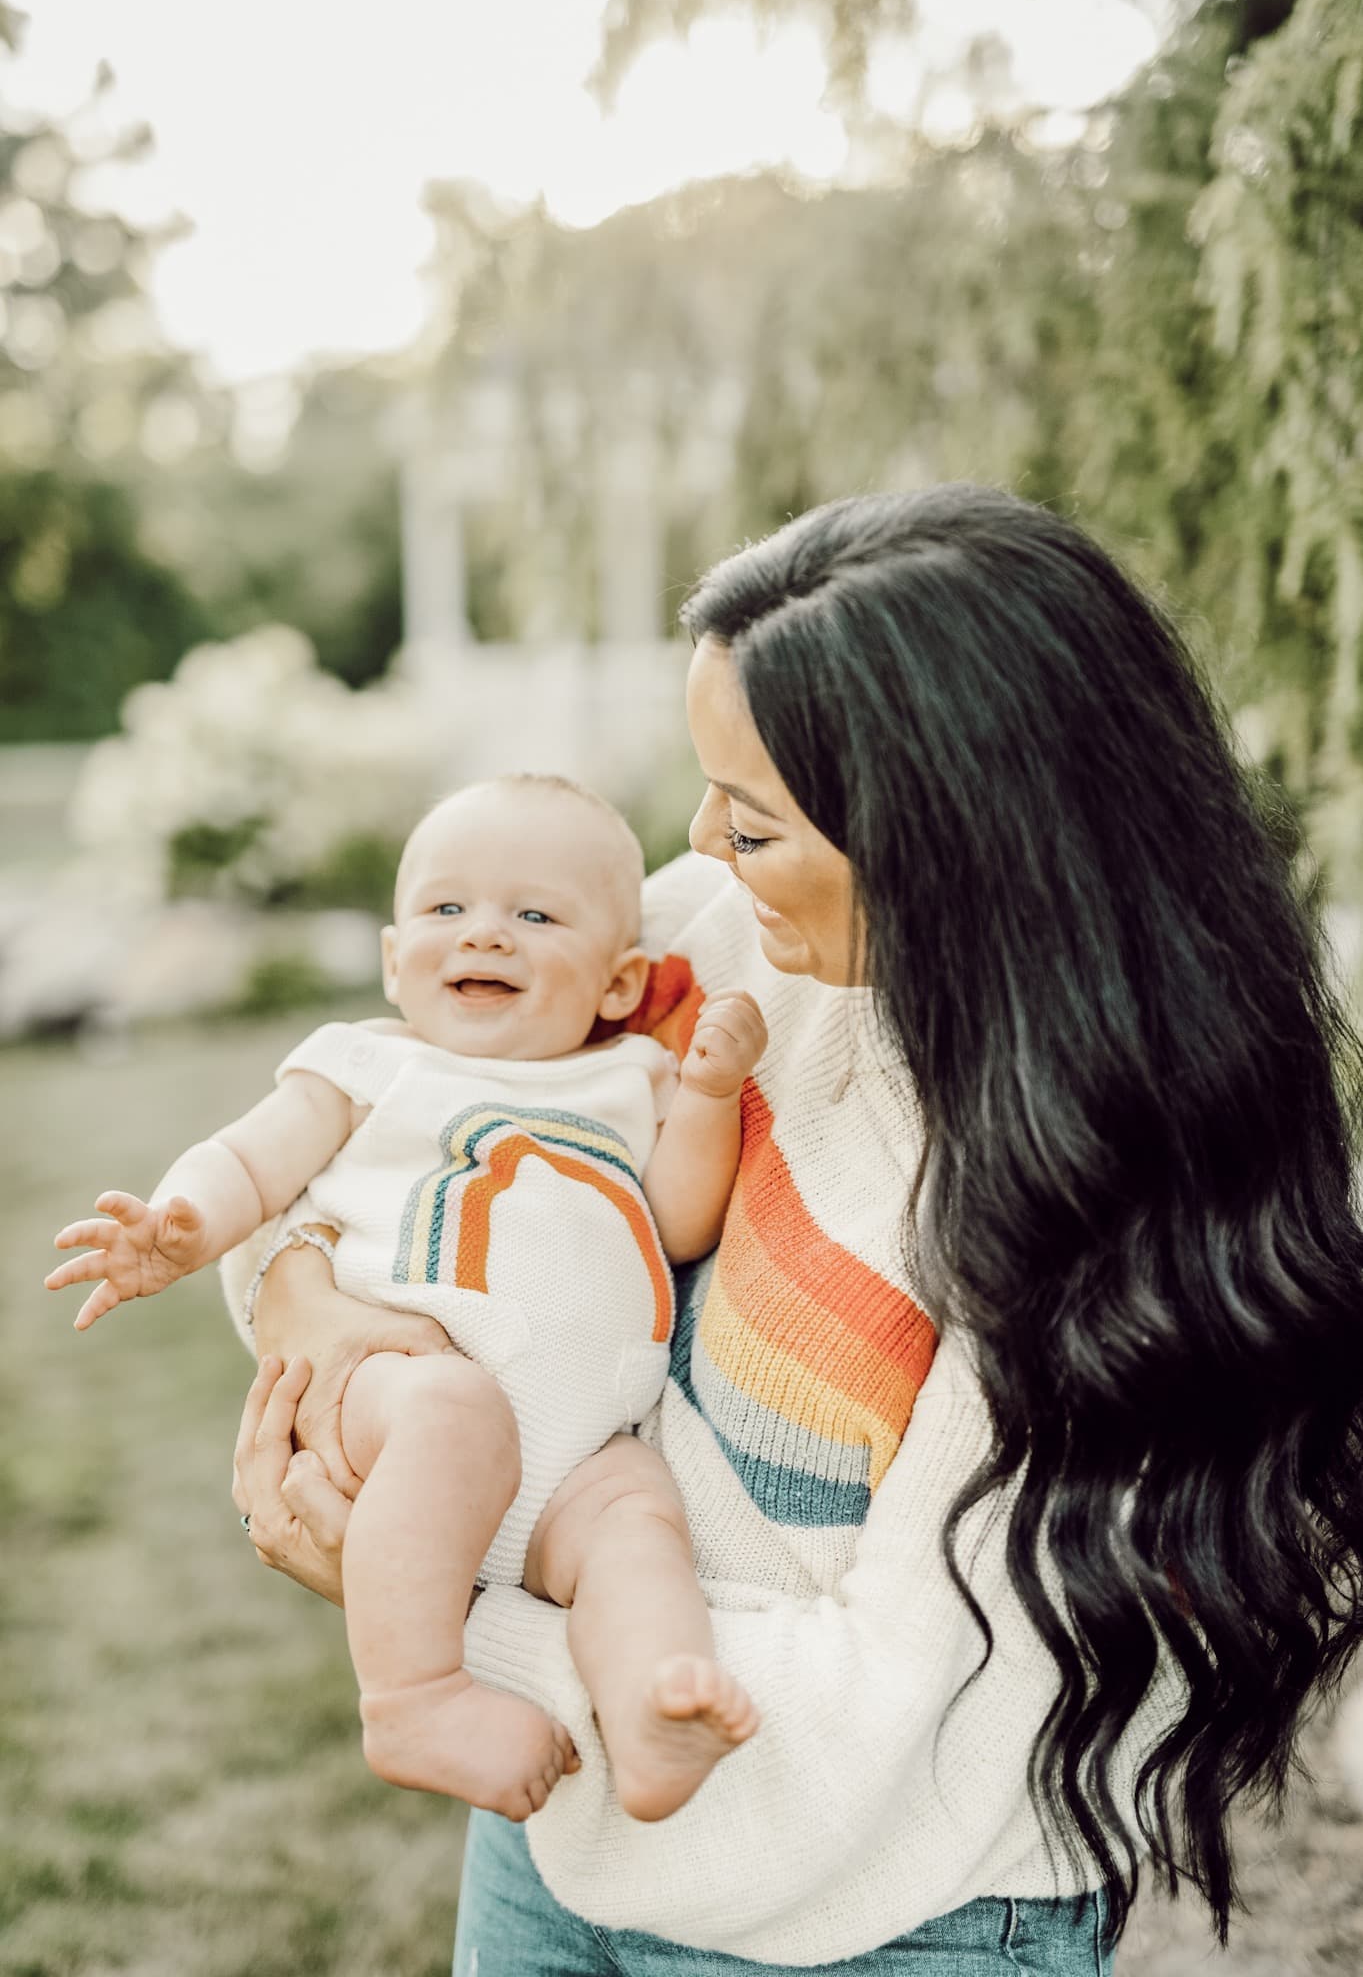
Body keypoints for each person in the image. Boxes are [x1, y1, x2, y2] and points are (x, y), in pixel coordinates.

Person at [230, 485, 1363, 1976]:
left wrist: (442, 1611)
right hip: (563, 1817)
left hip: (889, 1908)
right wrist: (294, 1283)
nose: (696, 843)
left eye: (751, 821)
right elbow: (385, 1107)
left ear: (943, 839)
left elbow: (865, 1729)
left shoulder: (1113, 1213)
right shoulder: (713, 936)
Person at [48, 773, 765, 1824]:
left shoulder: (633, 1081)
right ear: (394, 959)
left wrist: (707, 1094)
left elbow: (682, 1222)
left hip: (577, 1453)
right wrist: (181, 1225)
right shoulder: (371, 1063)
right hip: (398, 1388)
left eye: (533, 913)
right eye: (446, 909)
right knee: (454, 1407)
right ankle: (415, 1697)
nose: (485, 935)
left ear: (618, 983)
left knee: (638, 1518)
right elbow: (250, 1159)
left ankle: (655, 1701)